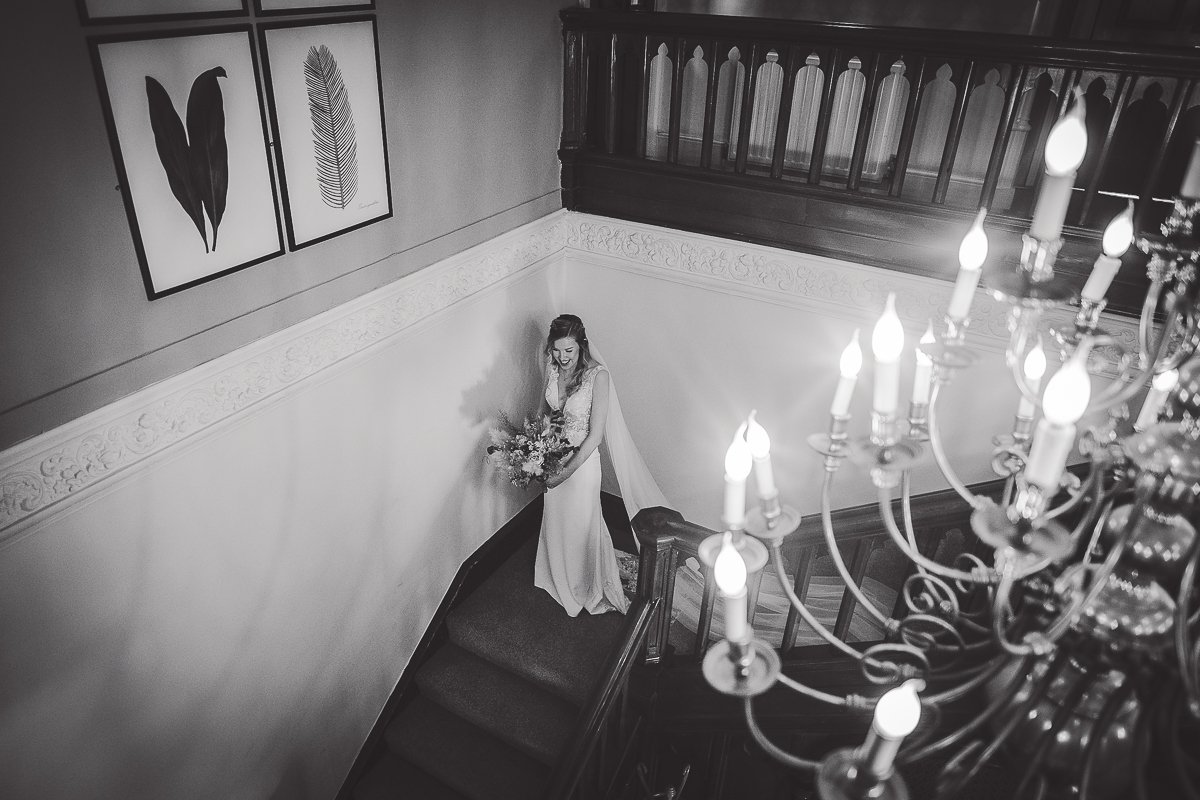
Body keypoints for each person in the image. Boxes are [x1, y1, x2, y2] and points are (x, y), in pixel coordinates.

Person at [533, 314, 669, 616]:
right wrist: (538, 453)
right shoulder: (552, 367)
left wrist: (564, 473)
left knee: (580, 524)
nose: (562, 357)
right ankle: (554, 574)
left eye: (569, 350)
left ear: (581, 345)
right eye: (557, 349)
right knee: (556, 519)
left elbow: (595, 436)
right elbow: (544, 412)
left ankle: (583, 585)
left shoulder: (599, 376)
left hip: (581, 467)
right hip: (552, 459)